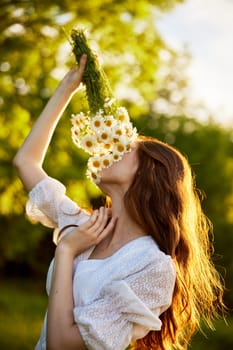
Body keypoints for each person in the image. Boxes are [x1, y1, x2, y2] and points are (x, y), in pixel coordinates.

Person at [13, 54, 224, 350]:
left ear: (150, 176)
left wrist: (67, 250)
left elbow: (61, 344)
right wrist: (66, 89)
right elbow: (26, 162)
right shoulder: (87, 226)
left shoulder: (153, 266)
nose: (110, 150)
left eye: (126, 148)